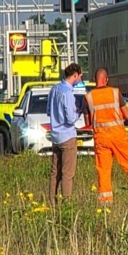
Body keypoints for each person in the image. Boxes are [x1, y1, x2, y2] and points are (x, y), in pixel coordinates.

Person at [85, 68, 128, 205]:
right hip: (118, 135)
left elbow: (87, 122)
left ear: (95, 80)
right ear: (106, 79)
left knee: (103, 170)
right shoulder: (115, 93)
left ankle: (105, 201)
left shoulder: (88, 97)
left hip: (101, 138)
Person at [47, 63, 83, 207]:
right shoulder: (68, 93)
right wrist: (78, 112)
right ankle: (67, 205)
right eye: (80, 76)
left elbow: (49, 111)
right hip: (67, 136)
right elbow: (70, 118)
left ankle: (52, 203)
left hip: (55, 136)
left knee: (55, 172)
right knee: (68, 174)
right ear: (75, 75)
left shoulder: (54, 89)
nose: (80, 79)